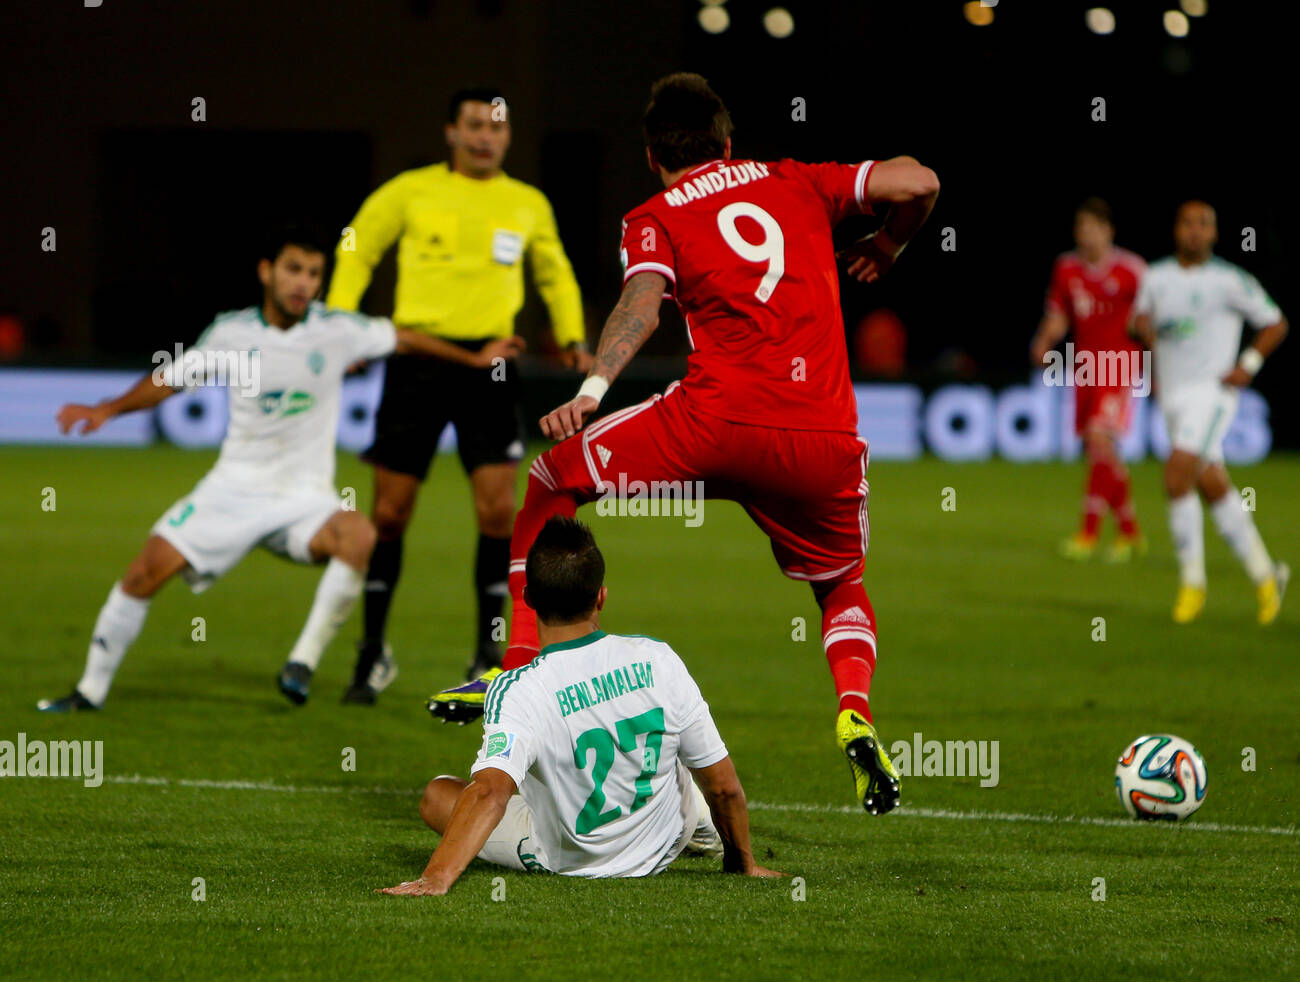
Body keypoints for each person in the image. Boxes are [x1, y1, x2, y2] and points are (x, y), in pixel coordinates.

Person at [431, 73, 941, 815]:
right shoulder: (798, 181)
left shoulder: (656, 214)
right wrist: (890, 244)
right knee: (838, 585)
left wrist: (591, 391)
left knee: (549, 478)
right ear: (727, 142)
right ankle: (854, 711)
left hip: (712, 427)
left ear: (650, 155)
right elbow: (919, 180)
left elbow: (641, 303)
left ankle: (513, 665)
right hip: (820, 439)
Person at [38, 226, 492, 710]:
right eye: (294, 269)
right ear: (266, 271)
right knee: (143, 574)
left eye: (314, 274)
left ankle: (301, 663)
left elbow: (404, 338)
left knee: (359, 534)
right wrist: (106, 409)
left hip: (304, 499)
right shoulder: (233, 333)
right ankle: (89, 691)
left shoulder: (338, 330)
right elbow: (169, 380)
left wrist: (473, 359)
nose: (304, 283)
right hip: (232, 489)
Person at [327, 86, 594, 704]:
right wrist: (342, 326)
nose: (485, 136)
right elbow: (355, 246)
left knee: (499, 512)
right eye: (474, 125)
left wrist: (574, 336)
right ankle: (371, 653)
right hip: (416, 359)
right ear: (450, 131)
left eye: (496, 127)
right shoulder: (410, 190)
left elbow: (554, 271)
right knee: (389, 514)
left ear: (507, 135)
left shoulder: (526, 203)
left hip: (493, 365)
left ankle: (488, 653)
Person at [380, 517, 781, 895]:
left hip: (571, 858)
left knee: (438, 795)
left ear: (528, 598)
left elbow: (488, 793)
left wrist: (436, 877)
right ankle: (702, 831)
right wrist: (742, 864)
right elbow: (725, 787)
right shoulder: (658, 659)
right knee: (677, 753)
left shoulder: (518, 688)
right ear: (601, 596)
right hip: (663, 842)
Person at [1132, 200, 1289, 624]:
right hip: (1173, 397)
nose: (1196, 231)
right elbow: (1141, 322)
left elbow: (1275, 322)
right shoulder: (1156, 276)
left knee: (1175, 475)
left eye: (1205, 224)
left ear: (1215, 234)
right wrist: (1144, 331)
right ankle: (1266, 575)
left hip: (1212, 393)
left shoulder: (1228, 280)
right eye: (1189, 223)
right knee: (1211, 484)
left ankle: (1192, 583)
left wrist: (1248, 365)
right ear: (1176, 230)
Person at [1030, 197, 1146, 561]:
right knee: (1102, 451)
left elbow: (1150, 318)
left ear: (1109, 231)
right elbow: (1059, 314)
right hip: (1084, 369)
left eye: (1094, 227)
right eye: (1081, 228)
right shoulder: (1066, 268)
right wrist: (1044, 340)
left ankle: (1088, 533)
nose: (1086, 235)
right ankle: (1131, 533)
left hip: (1120, 366)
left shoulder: (1131, 270)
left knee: (1099, 439)